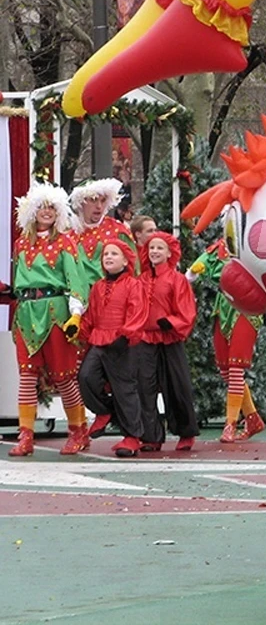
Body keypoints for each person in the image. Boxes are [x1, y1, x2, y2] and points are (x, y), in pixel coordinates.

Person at [9, 183, 90, 456]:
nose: (46, 212)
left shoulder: (65, 242)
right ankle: (26, 436)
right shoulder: (20, 244)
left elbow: (76, 281)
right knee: (27, 375)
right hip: (26, 313)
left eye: (52, 207)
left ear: (59, 213)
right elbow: (18, 282)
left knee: (64, 377)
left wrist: (76, 314)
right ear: (32, 211)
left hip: (55, 312)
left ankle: (78, 431)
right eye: (41, 206)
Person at [68, 178, 138, 438]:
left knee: (119, 374)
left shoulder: (117, 230)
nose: (97, 207)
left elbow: (134, 269)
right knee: (82, 374)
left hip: (114, 311)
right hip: (79, 311)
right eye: (91, 200)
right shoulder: (69, 232)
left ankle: (133, 433)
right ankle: (93, 419)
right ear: (80, 203)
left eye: (102, 201)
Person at [186, 236, 265, 442]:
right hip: (224, 307)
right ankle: (253, 418)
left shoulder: (256, 241)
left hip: (247, 308)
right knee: (225, 371)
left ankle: (230, 424)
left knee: (236, 367)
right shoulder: (221, 245)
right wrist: (195, 269)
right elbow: (203, 261)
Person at [78, 239, 148, 457]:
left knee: (124, 388)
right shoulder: (98, 287)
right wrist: (80, 331)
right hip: (99, 340)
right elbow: (90, 316)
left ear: (126, 260)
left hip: (123, 342)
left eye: (114, 254)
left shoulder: (133, 285)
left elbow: (138, 311)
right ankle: (104, 410)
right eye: (106, 254)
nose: (108, 257)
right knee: (86, 377)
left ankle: (132, 437)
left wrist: (126, 335)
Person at [134, 230, 199, 451]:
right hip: (145, 338)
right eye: (151, 247)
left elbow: (187, 310)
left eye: (159, 248)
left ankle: (186, 433)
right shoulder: (141, 280)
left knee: (178, 386)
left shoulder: (177, 279)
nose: (154, 251)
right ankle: (151, 436)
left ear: (169, 252)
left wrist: (171, 322)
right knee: (145, 387)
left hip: (170, 338)